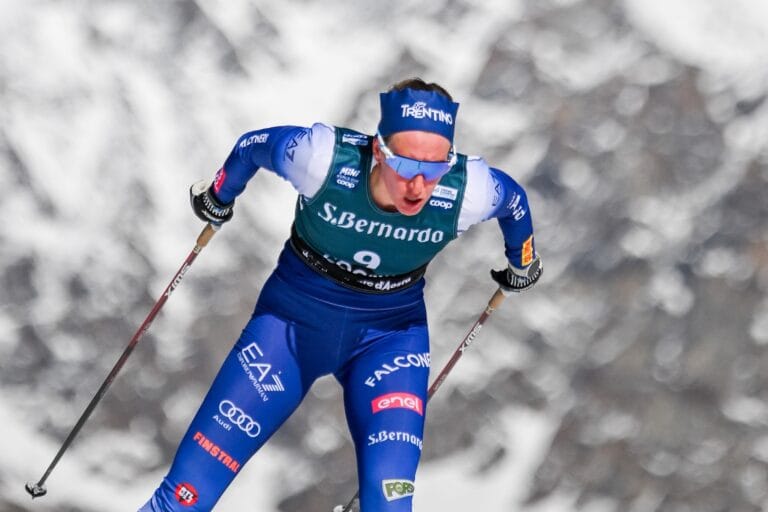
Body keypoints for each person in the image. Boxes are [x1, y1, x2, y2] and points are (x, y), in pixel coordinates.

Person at [139, 78, 542, 512]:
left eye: (435, 168)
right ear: (378, 149)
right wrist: (220, 194)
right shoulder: (322, 159)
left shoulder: (469, 189)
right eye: (405, 166)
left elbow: (514, 202)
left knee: (389, 505)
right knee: (184, 498)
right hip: (289, 328)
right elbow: (253, 146)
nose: (419, 185)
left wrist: (523, 263)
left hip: (390, 341)